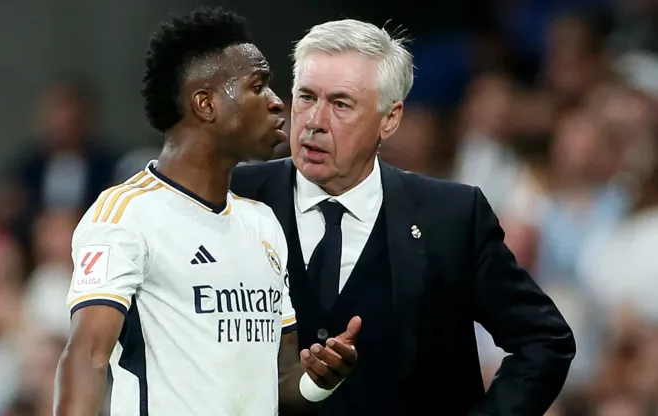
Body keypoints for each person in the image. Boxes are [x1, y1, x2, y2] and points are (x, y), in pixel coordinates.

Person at [231, 19, 576, 415]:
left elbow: (544, 340)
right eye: (307, 98)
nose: (314, 121)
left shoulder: (450, 217)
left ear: (390, 119)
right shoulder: (234, 197)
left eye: (340, 104)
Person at [53, 8, 359, 416]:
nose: (277, 103)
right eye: (259, 86)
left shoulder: (262, 223)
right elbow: (87, 356)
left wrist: (321, 379)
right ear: (206, 104)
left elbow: (281, 377)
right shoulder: (126, 215)